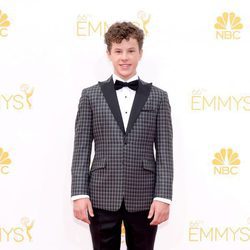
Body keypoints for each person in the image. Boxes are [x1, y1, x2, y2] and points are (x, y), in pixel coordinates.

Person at [71, 21, 174, 250]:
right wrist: (79, 193)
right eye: (118, 51)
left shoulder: (159, 98)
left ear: (140, 53)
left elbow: (165, 151)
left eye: (131, 51)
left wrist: (163, 197)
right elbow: (81, 148)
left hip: (145, 198)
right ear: (109, 53)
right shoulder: (90, 96)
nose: (124, 57)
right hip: (101, 195)